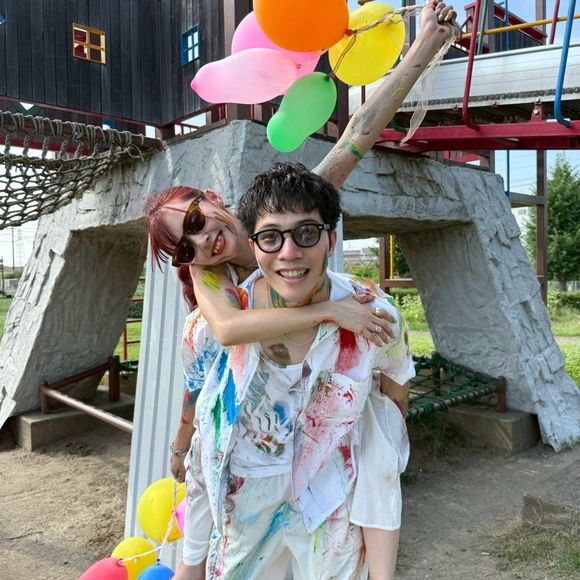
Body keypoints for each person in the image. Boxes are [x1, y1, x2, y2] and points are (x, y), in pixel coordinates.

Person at [145, 2, 458, 577]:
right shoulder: (211, 276)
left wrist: (422, 48)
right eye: (185, 245)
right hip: (248, 443)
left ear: (213, 199)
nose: (203, 239)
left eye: (196, 218)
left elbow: (358, 135)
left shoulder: (282, 208)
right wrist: (181, 443)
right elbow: (220, 343)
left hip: (316, 448)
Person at [179, 161, 414, 580]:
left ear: (331, 239)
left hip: (329, 497)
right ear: (254, 247)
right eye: (271, 237)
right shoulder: (208, 328)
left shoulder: (375, 317)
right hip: (245, 496)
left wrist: (381, 468)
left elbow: (396, 395)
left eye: (306, 233)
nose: (289, 252)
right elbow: (200, 404)